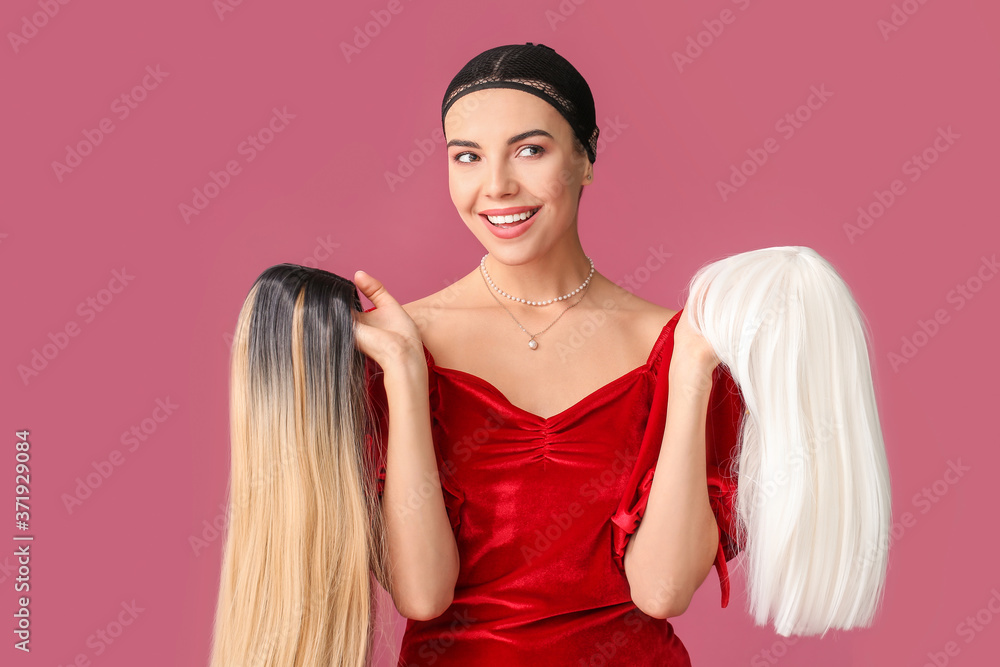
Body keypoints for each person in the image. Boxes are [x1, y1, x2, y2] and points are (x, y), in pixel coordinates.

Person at [353, 42, 746, 665]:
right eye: (467, 157)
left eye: (530, 150)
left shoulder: (681, 345)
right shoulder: (397, 343)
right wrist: (404, 372)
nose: (497, 186)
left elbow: (664, 591)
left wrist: (694, 368)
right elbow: (421, 595)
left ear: (586, 158)